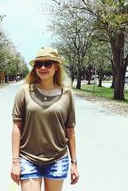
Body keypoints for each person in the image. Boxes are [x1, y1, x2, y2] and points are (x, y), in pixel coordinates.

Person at [10, 46, 79, 191]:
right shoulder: (24, 91)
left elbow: (70, 130)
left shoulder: (66, 94)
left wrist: (74, 163)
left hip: (57, 159)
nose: (43, 67)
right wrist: (15, 161)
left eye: (48, 63)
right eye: (38, 64)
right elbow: (16, 127)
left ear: (56, 68)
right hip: (27, 158)